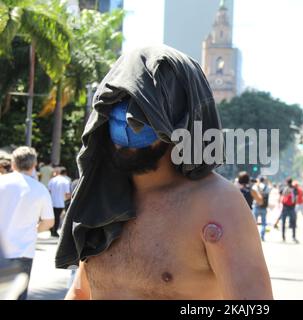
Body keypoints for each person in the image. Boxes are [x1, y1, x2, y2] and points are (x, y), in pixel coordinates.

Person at [60, 46, 272, 300]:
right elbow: (81, 292)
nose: (127, 124)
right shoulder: (102, 199)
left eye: (141, 111)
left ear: (180, 119)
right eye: (117, 104)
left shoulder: (217, 204)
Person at [0, 146, 54, 300]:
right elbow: (49, 221)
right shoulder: (39, 189)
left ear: (13, 163)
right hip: (23, 251)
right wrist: (34, 230)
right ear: (33, 165)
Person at [47, 167, 71, 237]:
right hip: (60, 202)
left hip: (52, 201)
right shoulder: (66, 181)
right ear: (65, 173)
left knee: (52, 216)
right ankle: (54, 231)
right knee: (57, 217)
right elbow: (67, 194)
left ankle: (51, 230)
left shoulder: (52, 180)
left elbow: (49, 191)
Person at [279, 178, 299, 243]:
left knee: (283, 223)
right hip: (292, 208)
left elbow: (280, 195)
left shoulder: (284, 188)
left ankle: (283, 237)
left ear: (286, 182)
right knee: (293, 223)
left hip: (284, 207)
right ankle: (293, 237)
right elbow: (296, 198)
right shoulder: (294, 189)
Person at [252, 176, 271, 241]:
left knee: (254, 223)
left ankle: (254, 236)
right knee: (263, 222)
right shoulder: (267, 187)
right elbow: (269, 193)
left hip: (256, 206)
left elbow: (253, 194)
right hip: (264, 207)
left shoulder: (255, 186)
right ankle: (262, 236)